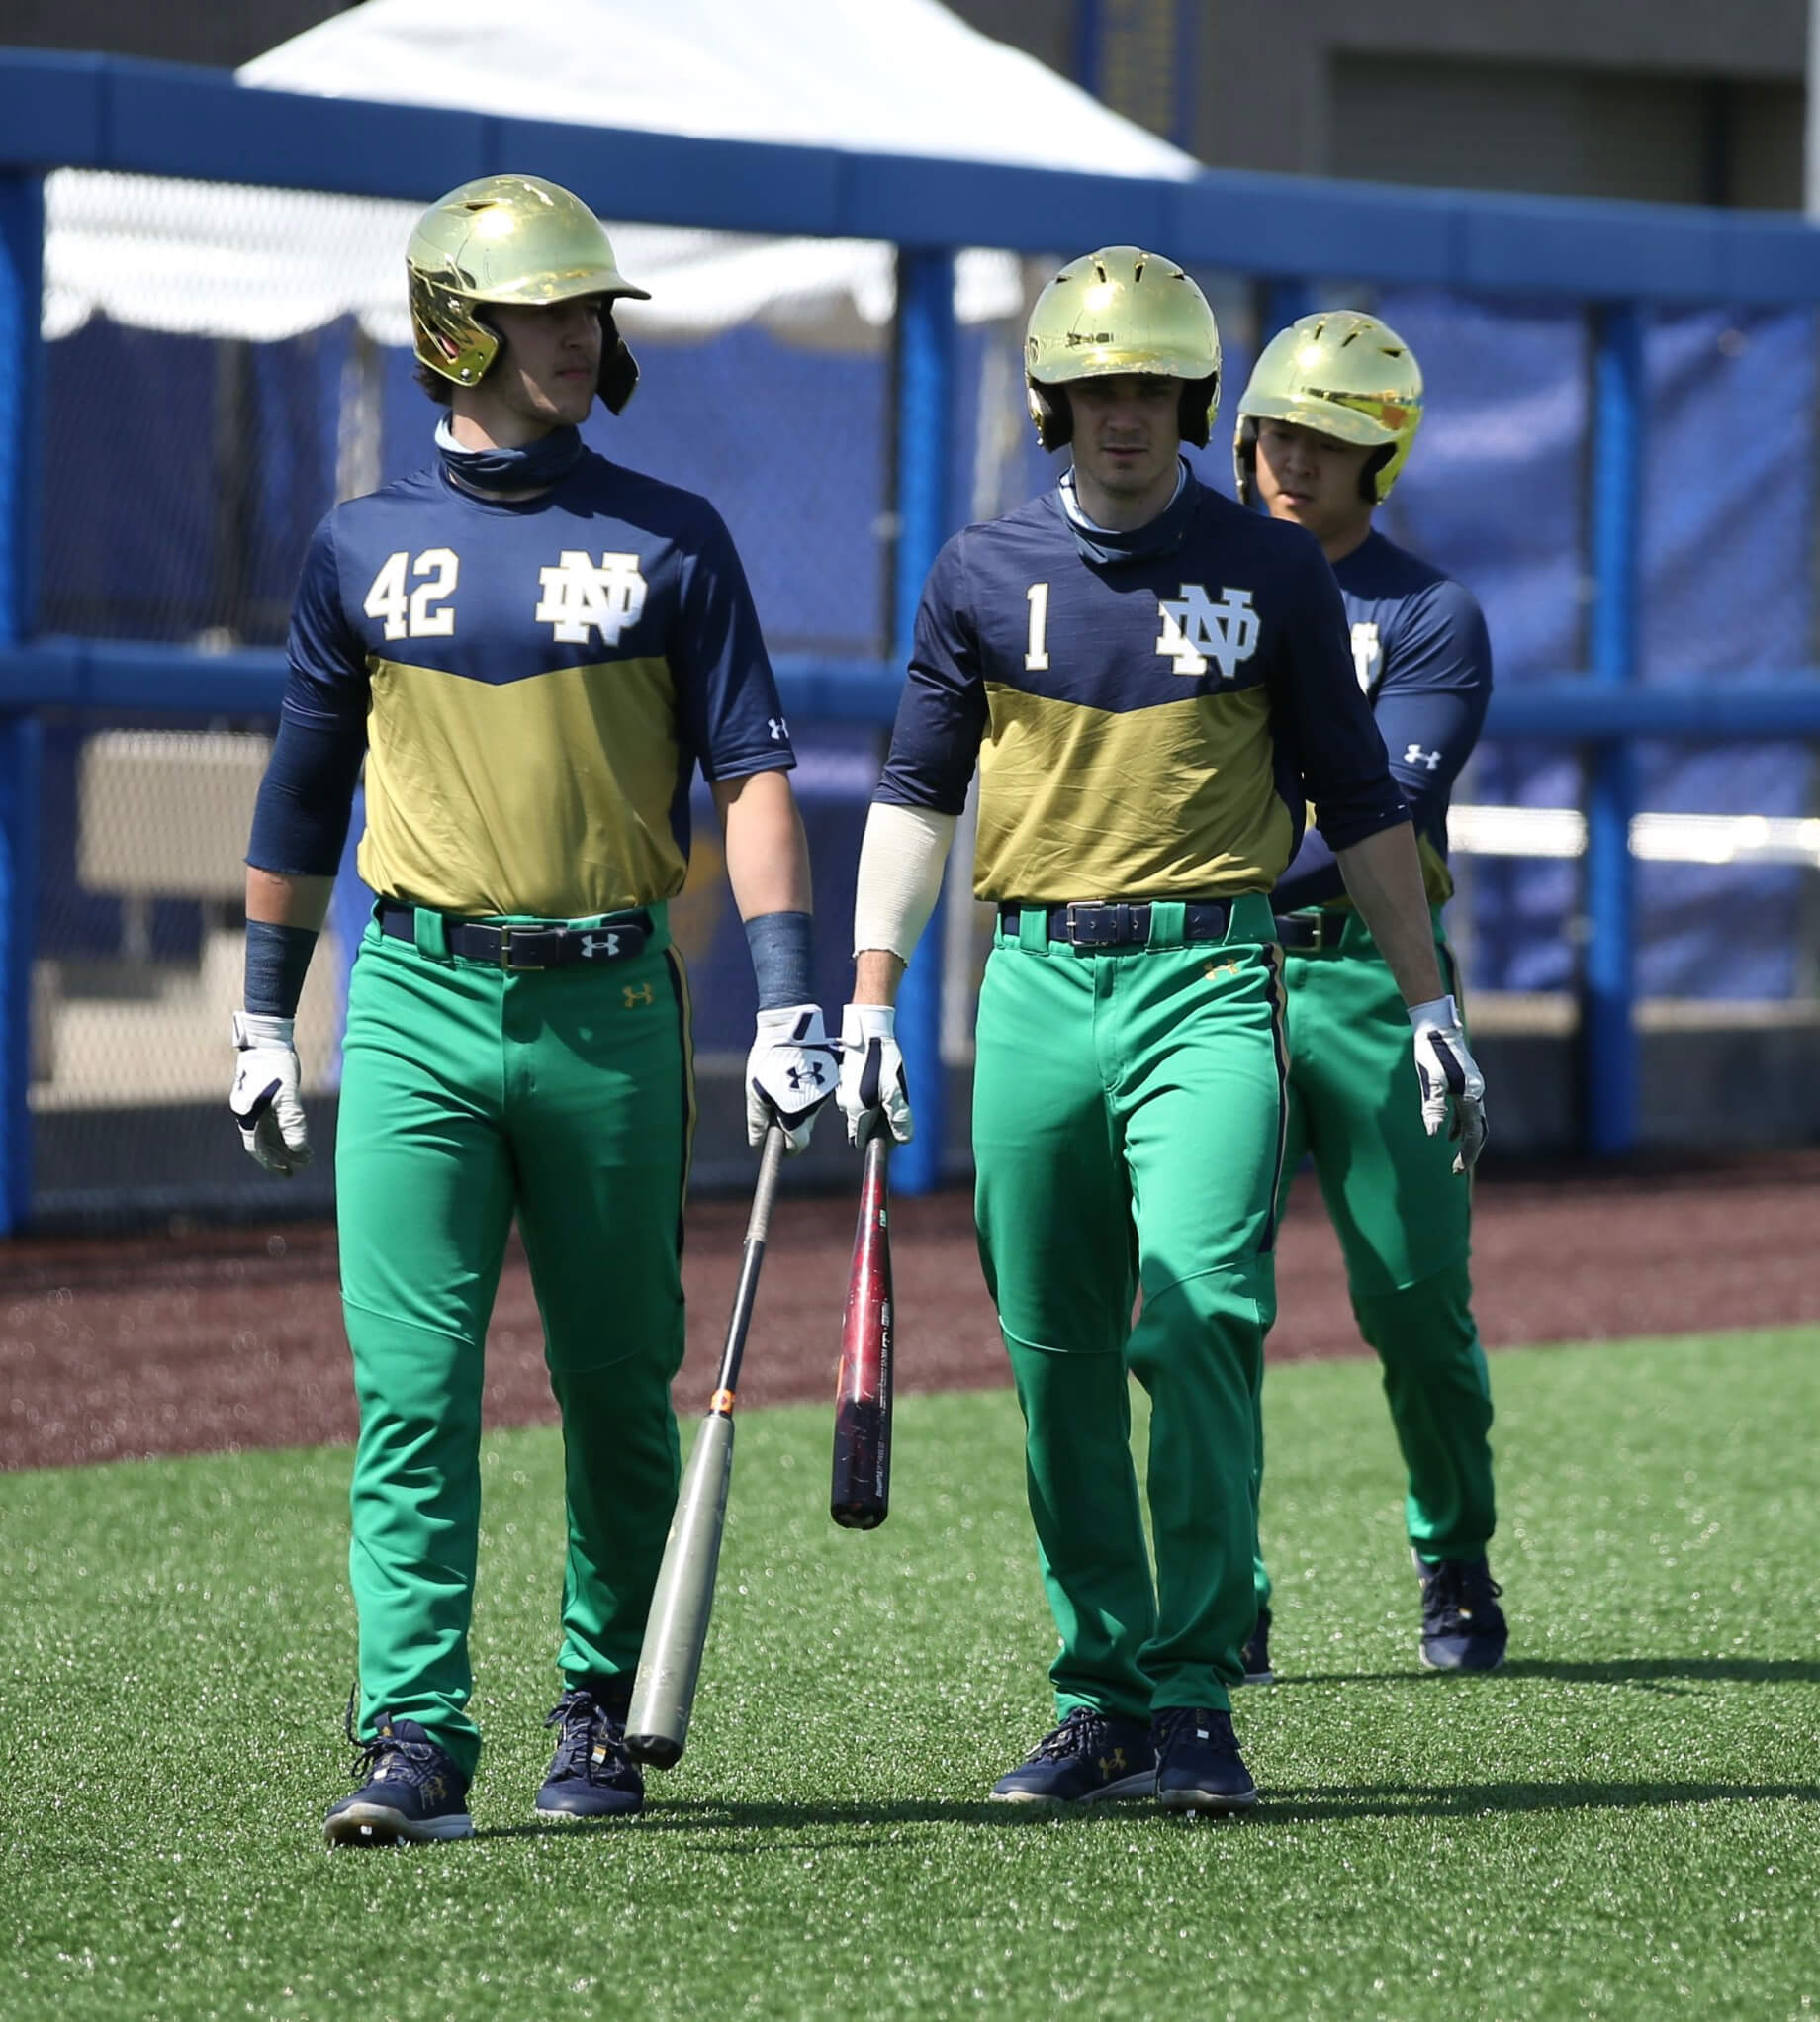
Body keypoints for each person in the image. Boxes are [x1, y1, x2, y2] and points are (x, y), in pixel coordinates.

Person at [834, 248, 1486, 1816]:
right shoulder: (977, 574)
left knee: (1196, 1316)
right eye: (1097, 388)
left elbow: (1363, 797)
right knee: (1054, 1357)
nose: (1124, 417)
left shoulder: (1274, 572)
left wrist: (1429, 1000)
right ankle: (1099, 1691)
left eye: (1153, 390)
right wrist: (870, 995)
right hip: (1037, 985)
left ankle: (1195, 1692)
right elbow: (918, 793)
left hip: (1210, 978)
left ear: (1195, 403)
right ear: (1054, 400)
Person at [228, 174, 834, 1847]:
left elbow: (755, 778)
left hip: (613, 1009)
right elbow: (298, 797)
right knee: (411, 1390)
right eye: (548, 311)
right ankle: (414, 1737)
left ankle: (597, 1708)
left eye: (591, 311)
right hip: (416, 1001)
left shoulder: (672, 536)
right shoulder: (357, 544)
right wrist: (266, 1015)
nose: (583, 337)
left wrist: (787, 1001)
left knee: (617, 1385)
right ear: (456, 328)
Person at [1231, 310, 1504, 1680]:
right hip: (1216, 973)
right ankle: (1234, 1588)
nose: (1297, 461)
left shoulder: (1428, 612)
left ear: (1379, 456)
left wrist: (1181, 850)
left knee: (1412, 1302)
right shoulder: (1195, 585)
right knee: (1203, 1301)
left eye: (1332, 441)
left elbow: (1379, 807)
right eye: (1280, 429)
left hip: (1369, 979)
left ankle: (1453, 1549)